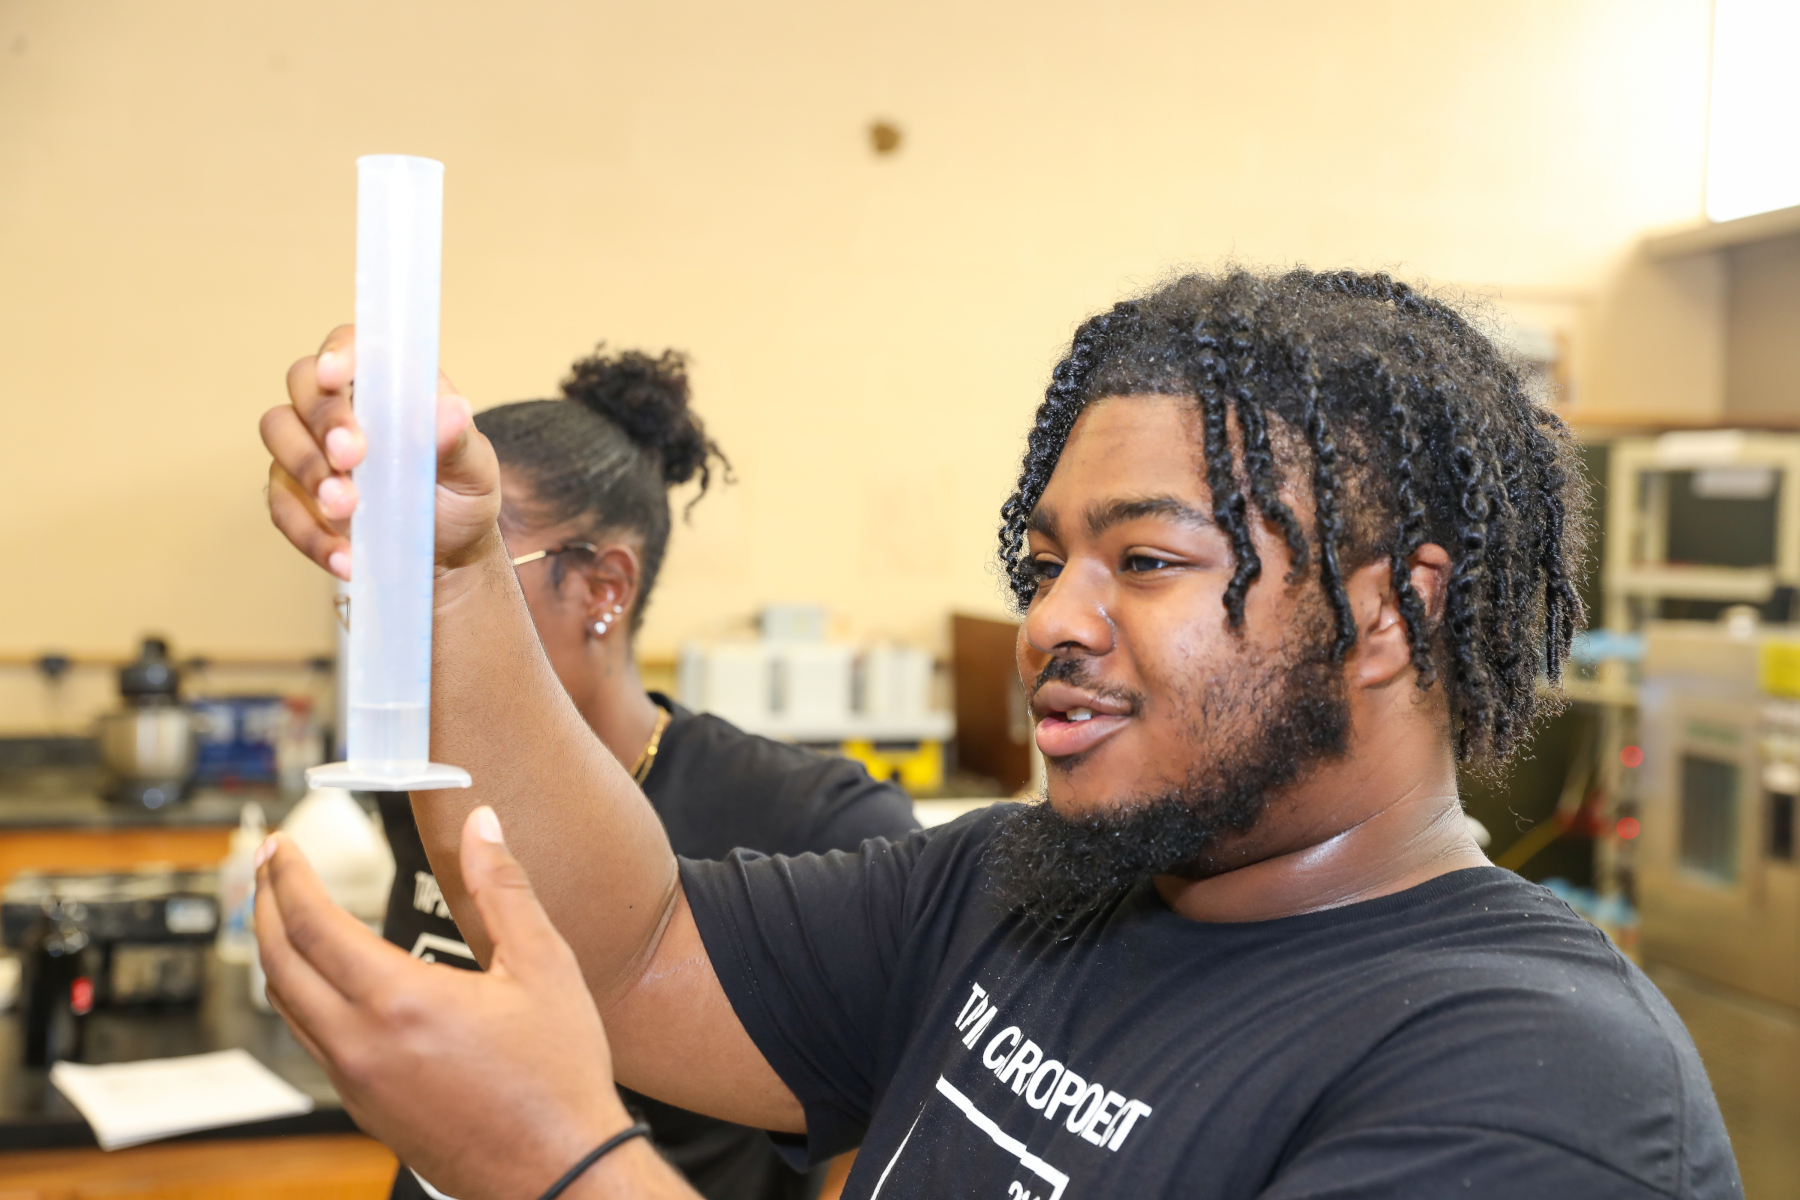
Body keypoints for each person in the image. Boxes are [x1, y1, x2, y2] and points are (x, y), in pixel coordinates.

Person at [257, 268, 1741, 1200]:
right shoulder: (1020, 888)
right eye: (1045, 567)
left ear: (1387, 617)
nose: (1052, 622)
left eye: (1144, 562)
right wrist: (453, 576)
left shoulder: (1542, 1087)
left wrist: (560, 1166)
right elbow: (633, 949)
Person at [365, 346, 919, 1200]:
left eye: (474, 568)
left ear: (601, 589)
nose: (428, 612)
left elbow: (876, 1144)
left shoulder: (814, 827)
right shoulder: (423, 772)